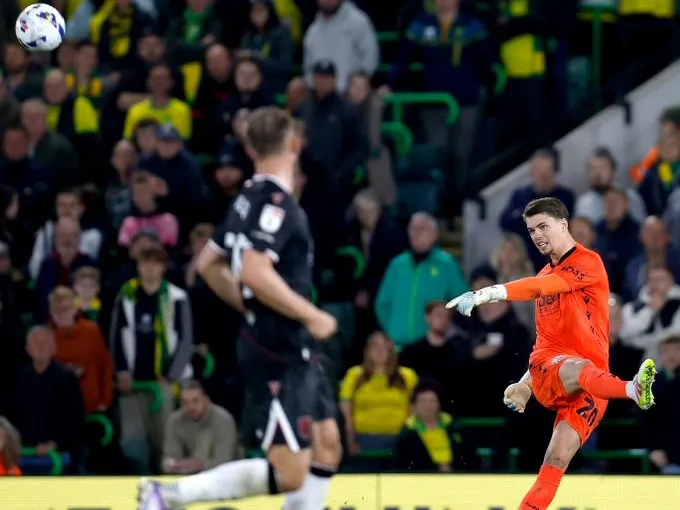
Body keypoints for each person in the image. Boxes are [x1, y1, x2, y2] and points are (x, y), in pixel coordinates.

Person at [138, 106, 341, 510]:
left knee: (327, 445)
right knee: (290, 472)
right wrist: (311, 314)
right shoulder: (275, 204)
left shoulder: (247, 198)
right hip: (278, 344)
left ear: (249, 149)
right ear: (294, 145)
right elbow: (253, 269)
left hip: (284, 338)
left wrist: (247, 303)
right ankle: (170, 494)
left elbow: (208, 264)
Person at [447, 197, 657, 510]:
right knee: (577, 367)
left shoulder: (588, 263)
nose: (537, 235)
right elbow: (545, 344)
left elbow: (537, 287)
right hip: (559, 370)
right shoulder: (544, 278)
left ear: (563, 224)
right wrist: (528, 383)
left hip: (595, 386)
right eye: (532, 230)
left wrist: (487, 293)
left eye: (543, 226)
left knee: (556, 460)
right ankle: (632, 389)